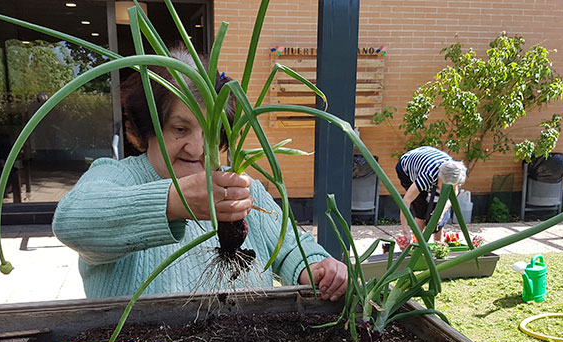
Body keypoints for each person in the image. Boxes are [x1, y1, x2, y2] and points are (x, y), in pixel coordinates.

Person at [52, 49, 347, 301]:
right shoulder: (117, 177)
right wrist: (172, 203)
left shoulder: (241, 187)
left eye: (210, 131)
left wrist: (317, 268)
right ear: (149, 127)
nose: (196, 148)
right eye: (180, 129)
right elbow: (72, 222)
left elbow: (291, 249)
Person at [395, 146, 467, 249]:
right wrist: (405, 229)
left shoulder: (453, 172)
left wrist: (441, 213)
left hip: (429, 158)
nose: (448, 188)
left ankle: (438, 246)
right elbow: (406, 200)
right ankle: (416, 246)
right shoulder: (427, 176)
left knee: (437, 208)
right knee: (421, 208)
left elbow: (453, 195)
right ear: (440, 178)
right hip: (407, 165)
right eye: (446, 185)